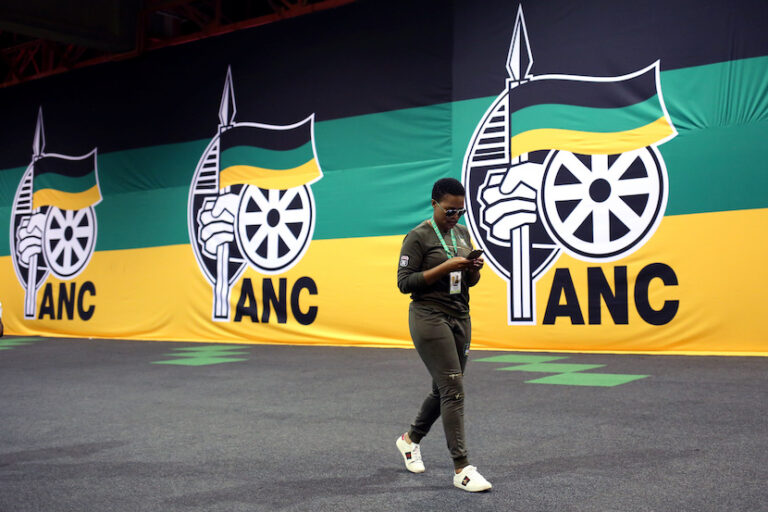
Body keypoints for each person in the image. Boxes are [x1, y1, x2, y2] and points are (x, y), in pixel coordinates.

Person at [394, 177, 492, 492]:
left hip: (460, 315)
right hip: (429, 315)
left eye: (460, 212)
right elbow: (405, 283)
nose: (455, 218)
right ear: (434, 204)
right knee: (454, 389)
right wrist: (446, 266)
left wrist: (473, 267)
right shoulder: (418, 237)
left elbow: (470, 282)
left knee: (444, 387)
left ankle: (410, 441)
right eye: (450, 211)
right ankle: (462, 468)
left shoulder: (462, 234)